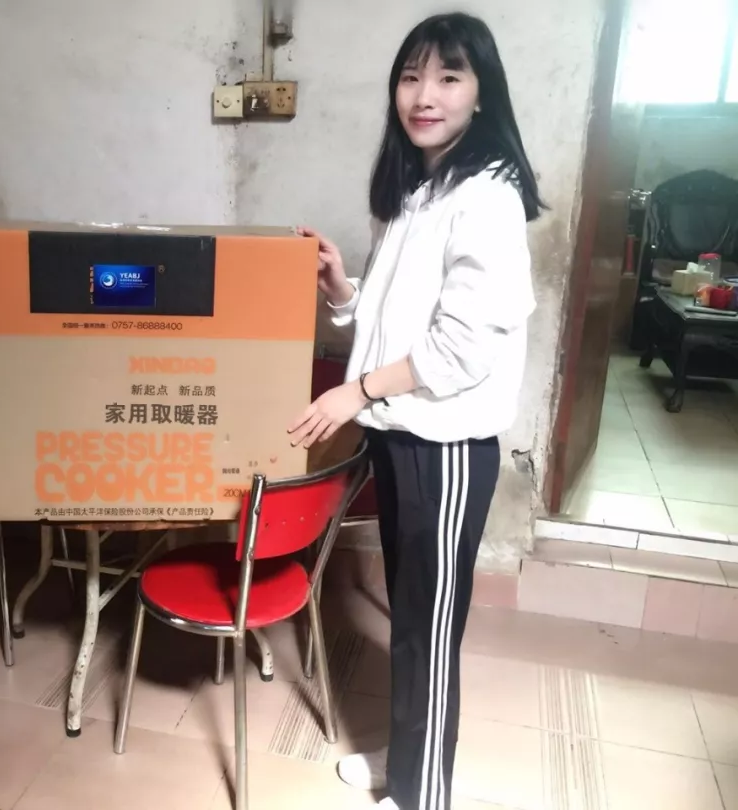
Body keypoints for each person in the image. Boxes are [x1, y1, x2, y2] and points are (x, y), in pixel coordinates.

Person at [289, 13, 543, 810]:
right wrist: (342, 288)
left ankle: (421, 794)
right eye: (410, 77)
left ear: (481, 92)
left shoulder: (487, 194)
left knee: (428, 633)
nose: (424, 95)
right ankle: (407, 766)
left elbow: (460, 351)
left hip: (447, 447)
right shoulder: (419, 187)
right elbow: (398, 321)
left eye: (448, 77)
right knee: (412, 620)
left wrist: (356, 390)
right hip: (403, 436)